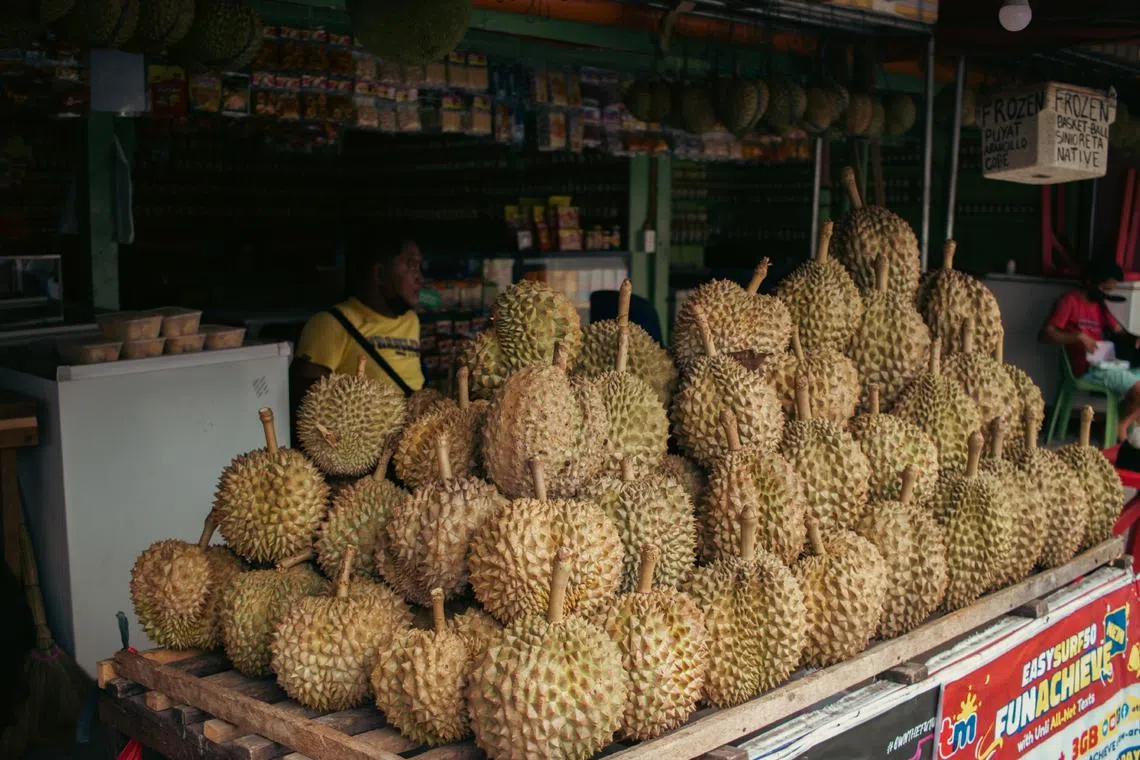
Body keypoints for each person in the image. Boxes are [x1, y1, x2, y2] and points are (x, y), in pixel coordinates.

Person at [292, 230, 425, 408]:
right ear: (379, 274)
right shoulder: (330, 324)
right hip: (362, 433)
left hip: (417, 430)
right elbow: (306, 402)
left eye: (419, 267)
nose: (420, 278)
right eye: (411, 266)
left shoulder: (412, 321)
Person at [1042, 259, 1140, 442]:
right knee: (1138, 388)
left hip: (1106, 364)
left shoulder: (1100, 305)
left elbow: (1119, 332)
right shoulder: (1070, 301)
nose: (1105, 294)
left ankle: (1124, 425)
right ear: (1090, 281)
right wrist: (1078, 337)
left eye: (1109, 290)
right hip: (1086, 369)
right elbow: (1047, 334)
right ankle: (1122, 431)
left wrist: (1135, 339)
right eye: (1103, 288)